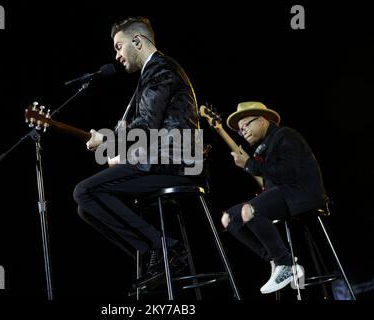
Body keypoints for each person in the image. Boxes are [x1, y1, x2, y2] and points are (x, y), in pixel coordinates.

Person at [73, 16, 202, 291]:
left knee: (84, 192)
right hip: (162, 162)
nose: (116, 55)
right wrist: (124, 155)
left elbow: (146, 125)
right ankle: (156, 256)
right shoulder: (153, 72)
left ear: (137, 41)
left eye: (119, 46)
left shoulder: (160, 67)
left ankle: (168, 249)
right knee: (86, 208)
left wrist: (106, 138)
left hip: (175, 165)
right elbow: (151, 129)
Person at [221, 101, 327, 294]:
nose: (243, 131)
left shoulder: (284, 135)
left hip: (300, 193)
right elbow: (270, 182)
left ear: (262, 120)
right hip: (282, 193)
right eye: (240, 130)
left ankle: (285, 264)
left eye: (246, 125)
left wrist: (249, 165)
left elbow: (288, 173)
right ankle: (275, 259)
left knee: (249, 211)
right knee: (228, 219)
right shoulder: (262, 147)